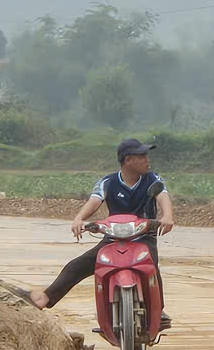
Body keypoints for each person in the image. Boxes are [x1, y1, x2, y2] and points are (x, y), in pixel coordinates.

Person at [33, 138, 176, 324]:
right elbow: (94, 201)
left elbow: (163, 196)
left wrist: (167, 216)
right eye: (142, 156)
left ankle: (159, 310)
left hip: (143, 237)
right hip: (114, 238)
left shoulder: (153, 179)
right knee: (77, 266)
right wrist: (79, 219)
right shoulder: (108, 182)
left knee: (151, 268)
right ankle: (46, 297)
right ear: (128, 160)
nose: (147, 160)